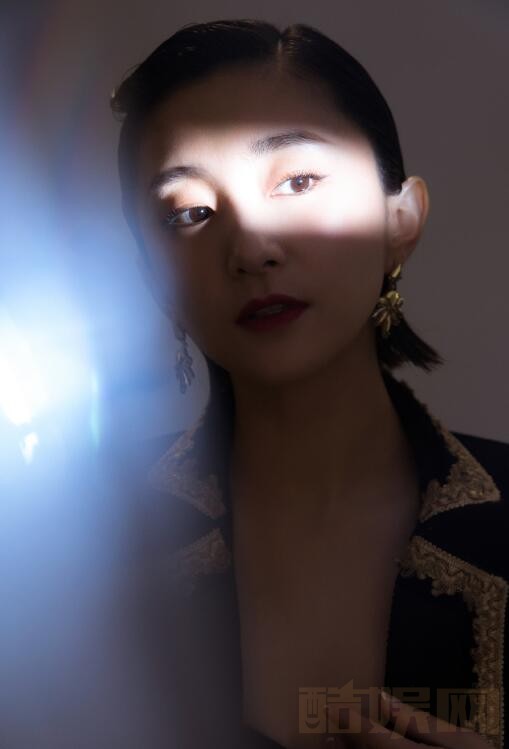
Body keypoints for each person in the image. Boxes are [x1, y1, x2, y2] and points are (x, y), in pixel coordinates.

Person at [110, 19, 509, 749]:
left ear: (400, 219)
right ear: (151, 277)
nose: (251, 247)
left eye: (297, 181)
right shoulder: (78, 544)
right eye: (190, 213)